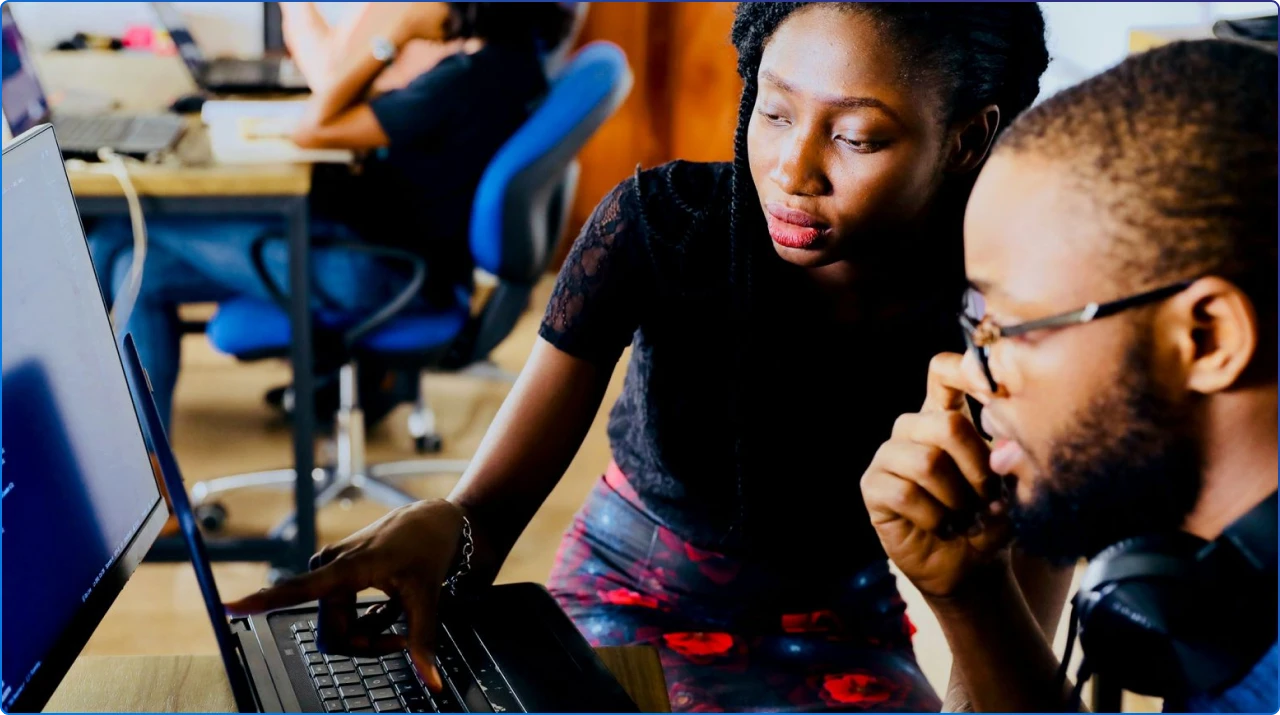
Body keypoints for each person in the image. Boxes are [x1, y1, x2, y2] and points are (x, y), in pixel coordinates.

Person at [227, 4, 1055, 711]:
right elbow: (486, 513)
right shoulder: (662, 229)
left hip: (844, 624)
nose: (792, 171)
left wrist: (967, 587)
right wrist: (444, 528)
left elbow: (1013, 684)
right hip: (629, 589)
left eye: (855, 136)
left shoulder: (1016, 323)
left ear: (966, 137)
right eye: (772, 112)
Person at [859, 39, 1277, 712]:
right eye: (974, 323)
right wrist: (973, 599)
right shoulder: (1220, 589)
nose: (973, 372)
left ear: (1207, 338)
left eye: (1010, 327)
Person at [88, 2, 575, 428]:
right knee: (139, 269)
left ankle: (128, 466)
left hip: (377, 272)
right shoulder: (517, 67)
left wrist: (394, 38)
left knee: (117, 234)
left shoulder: (464, 82)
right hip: (395, 258)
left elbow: (315, 127)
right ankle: (154, 477)